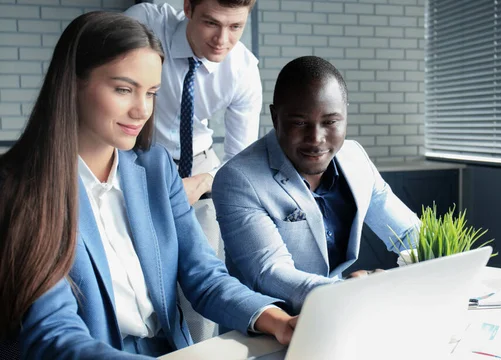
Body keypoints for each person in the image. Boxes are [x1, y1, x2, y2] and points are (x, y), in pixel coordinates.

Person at [0, 12, 294, 359]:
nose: (142, 110)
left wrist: (275, 319)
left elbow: (204, 275)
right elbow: (54, 334)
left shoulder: (155, 168)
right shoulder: (20, 188)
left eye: (152, 92)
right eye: (124, 89)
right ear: (73, 83)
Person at [212, 56, 422, 314]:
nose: (316, 139)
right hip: (267, 335)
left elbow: (407, 233)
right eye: (300, 123)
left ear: (345, 115)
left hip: (342, 318)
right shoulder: (237, 179)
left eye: (331, 122)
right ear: (275, 117)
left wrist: (447, 264)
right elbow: (271, 273)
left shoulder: (355, 156)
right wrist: (352, 292)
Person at [124, 0, 261, 340]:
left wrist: (200, 183)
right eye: (211, 23)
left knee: (203, 267)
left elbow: (239, 164)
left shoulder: (242, 69)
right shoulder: (145, 23)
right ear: (187, 7)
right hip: (136, 154)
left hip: (201, 166)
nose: (222, 40)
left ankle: (198, 348)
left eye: (236, 27)